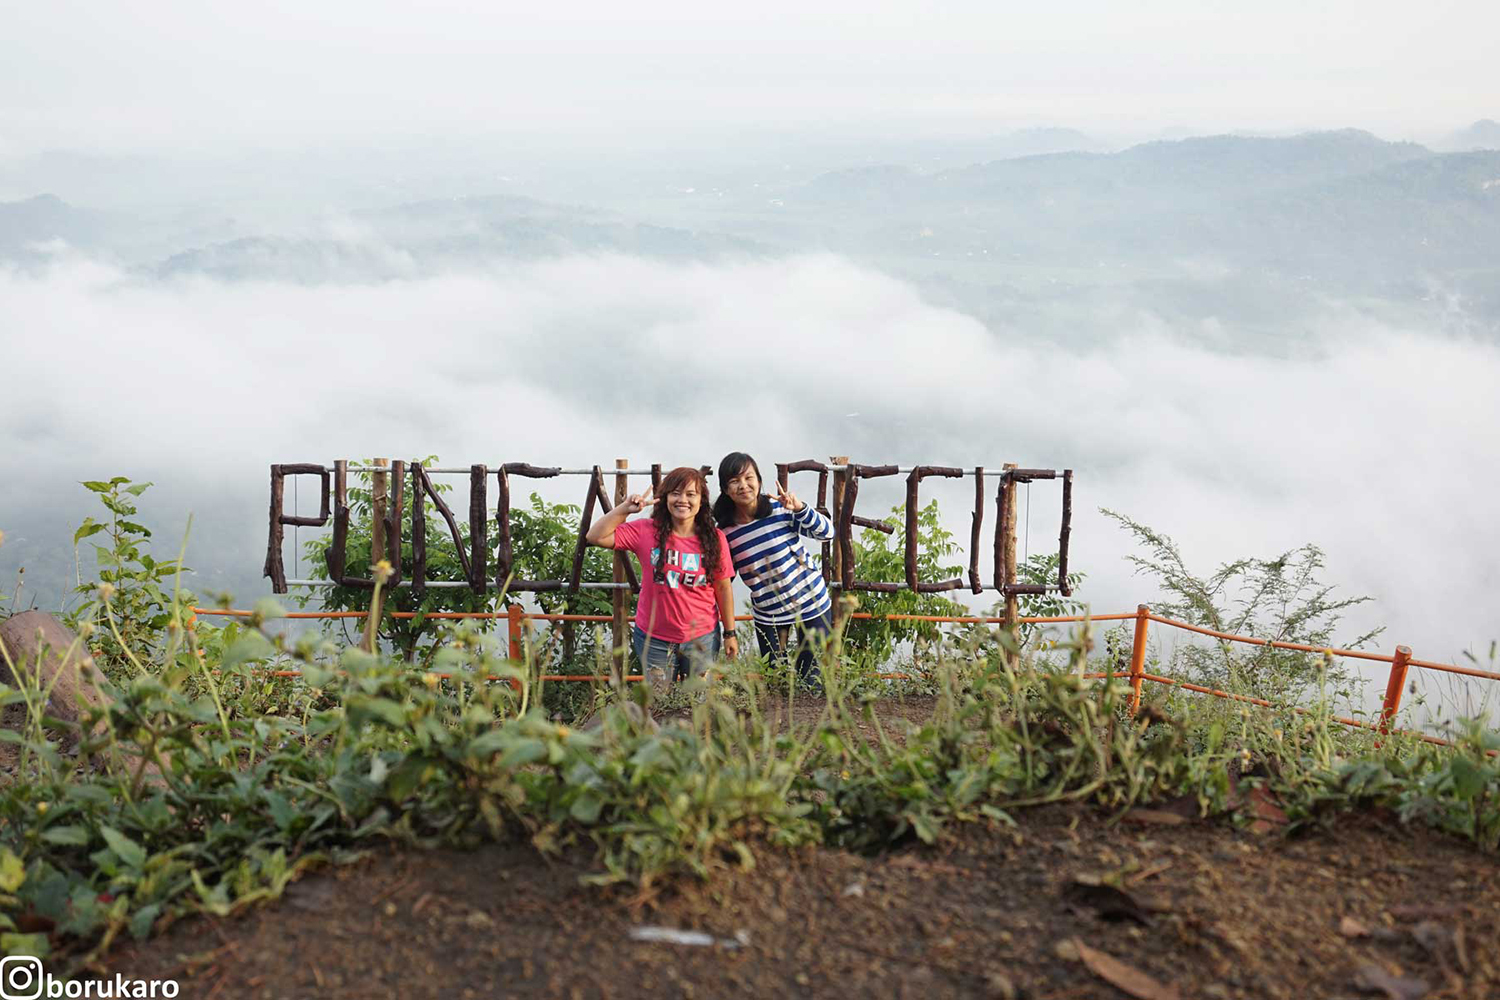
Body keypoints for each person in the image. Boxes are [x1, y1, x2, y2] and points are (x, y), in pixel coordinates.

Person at [586, 465, 737, 692]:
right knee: (658, 702)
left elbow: (723, 588)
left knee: (699, 702)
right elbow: (595, 536)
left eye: (690, 494)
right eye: (675, 493)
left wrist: (730, 633)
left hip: (702, 638)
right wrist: (625, 509)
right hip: (654, 638)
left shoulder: (715, 539)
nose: (682, 500)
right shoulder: (647, 531)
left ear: (701, 501)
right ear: (664, 498)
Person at [712, 452, 835, 692]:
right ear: (725, 489)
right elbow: (724, 578)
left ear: (758, 480)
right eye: (734, 481)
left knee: (811, 680)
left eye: (749, 477)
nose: (743, 485)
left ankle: (808, 728)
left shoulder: (781, 509)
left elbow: (827, 533)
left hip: (811, 603)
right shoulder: (725, 532)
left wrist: (799, 508)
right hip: (769, 613)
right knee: (775, 680)